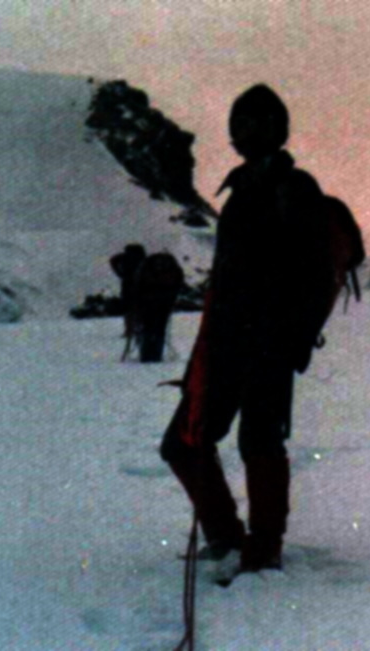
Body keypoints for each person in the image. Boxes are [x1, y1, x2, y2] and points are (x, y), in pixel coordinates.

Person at [159, 84, 331, 573]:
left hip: (269, 342)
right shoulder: (240, 195)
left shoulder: (296, 190)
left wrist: (291, 340)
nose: (247, 132)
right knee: (185, 440)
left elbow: (314, 274)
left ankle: (261, 549)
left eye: (257, 122)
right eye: (241, 123)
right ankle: (229, 539)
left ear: (278, 129)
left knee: (257, 441)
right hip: (228, 342)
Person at [132, 252, 184, 363]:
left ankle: (146, 354)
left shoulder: (146, 266)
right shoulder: (172, 268)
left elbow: (138, 285)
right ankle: (157, 354)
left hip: (148, 302)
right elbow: (179, 283)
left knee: (147, 327)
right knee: (160, 328)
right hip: (165, 302)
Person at [110, 243, 147, 336]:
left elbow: (113, 260)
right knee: (138, 307)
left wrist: (119, 273)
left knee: (128, 308)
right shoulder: (142, 259)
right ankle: (137, 327)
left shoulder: (124, 258)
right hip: (139, 285)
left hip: (128, 284)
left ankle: (130, 329)